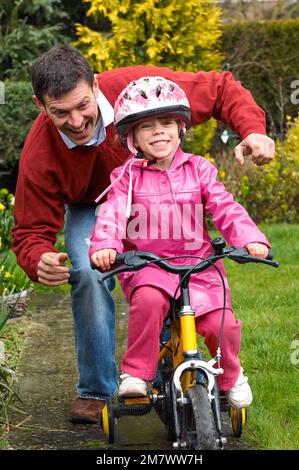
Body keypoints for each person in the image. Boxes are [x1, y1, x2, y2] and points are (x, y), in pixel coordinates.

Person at [11, 45, 274, 423]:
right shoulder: (41, 151)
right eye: (60, 112)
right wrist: (38, 258)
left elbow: (218, 89)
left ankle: (181, 353)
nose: (75, 120)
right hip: (94, 205)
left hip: (159, 191)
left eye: (82, 105)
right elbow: (30, 229)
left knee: (184, 266)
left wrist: (252, 130)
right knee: (88, 270)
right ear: (41, 105)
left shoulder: (138, 90)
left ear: (96, 85)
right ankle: (98, 389)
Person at [90, 76, 271, 407]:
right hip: (149, 266)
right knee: (147, 303)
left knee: (224, 324)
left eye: (166, 122)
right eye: (147, 126)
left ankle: (231, 374)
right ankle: (137, 373)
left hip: (199, 266)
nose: (158, 131)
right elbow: (111, 214)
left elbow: (225, 208)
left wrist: (250, 239)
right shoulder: (125, 178)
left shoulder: (200, 170)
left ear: (180, 127)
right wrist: (106, 246)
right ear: (132, 138)